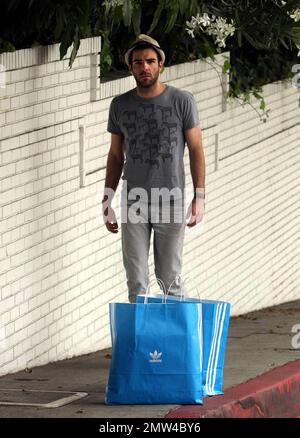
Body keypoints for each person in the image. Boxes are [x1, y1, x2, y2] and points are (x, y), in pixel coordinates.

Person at [102, 34, 205, 303]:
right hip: (134, 199)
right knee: (136, 282)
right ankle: (141, 345)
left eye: (150, 61)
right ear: (131, 67)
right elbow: (115, 156)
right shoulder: (120, 105)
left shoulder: (182, 101)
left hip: (170, 198)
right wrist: (107, 199)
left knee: (169, 279)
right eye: (138, 63)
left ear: (160, 64)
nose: (144, 67)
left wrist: (200, 196)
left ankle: (182, 343)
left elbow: (196, 149)